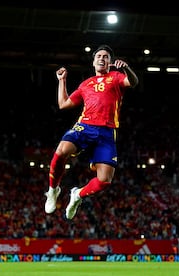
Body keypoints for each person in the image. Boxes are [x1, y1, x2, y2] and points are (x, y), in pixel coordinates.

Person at [44, 44, 139, 219]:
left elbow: (133, 82)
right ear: (93, 62)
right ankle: (53, 190)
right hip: (85, 126)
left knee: (104, 181)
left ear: (110, 62)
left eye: (106, 57)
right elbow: (63, 104)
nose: (102, 59)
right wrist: (62, 81)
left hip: (107, 132)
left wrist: (126, 68)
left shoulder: (116, 77)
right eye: (99, 56)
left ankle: (77, 195)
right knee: (61, 150)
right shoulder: (85, 84)